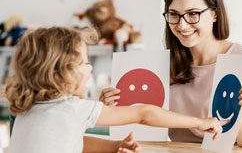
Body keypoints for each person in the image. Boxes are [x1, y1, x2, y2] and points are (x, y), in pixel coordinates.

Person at [5, 26, 226, 153]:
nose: (90, 67)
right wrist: (199, 122)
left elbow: (73, 140)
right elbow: (144, 113)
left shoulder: (27, 111)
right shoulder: (73, 109)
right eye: (83, 62)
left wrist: (116, 146)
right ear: (60, 74)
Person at [99, 0, 242, 148]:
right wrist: (109, 110)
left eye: (193, 14)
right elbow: (141, 129)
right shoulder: (160, 67)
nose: (182, 25)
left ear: (215, 14)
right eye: (174, 14)